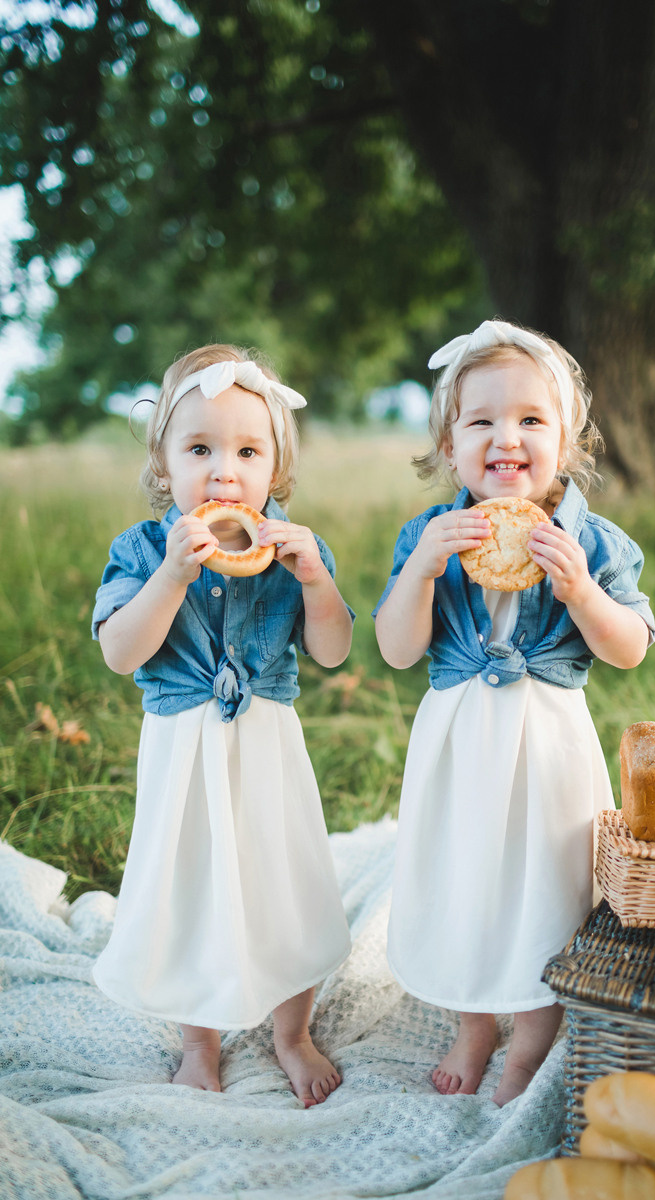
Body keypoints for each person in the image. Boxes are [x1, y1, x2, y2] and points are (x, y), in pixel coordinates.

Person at [374, 319, 655, 1107]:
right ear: (449, 444)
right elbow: (398, 648)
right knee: (466, 875)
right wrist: (424, 569)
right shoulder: (430, 536)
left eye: (532, 419)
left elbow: (630, 645)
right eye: (483, 420)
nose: (508, 437)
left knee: (544, 883)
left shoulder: (594, 544)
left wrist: (582, 592)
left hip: (547, 748)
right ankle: (474, 1023)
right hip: (461, 744)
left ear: (566, 441)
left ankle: (532, 1037)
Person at [92, 344, 353, 1105]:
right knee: (192, 886)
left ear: (276, 469)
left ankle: (291, 1032)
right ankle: (198, 1042)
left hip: (267, 751)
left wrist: (315, 580)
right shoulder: (144, 551)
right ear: (163, 465)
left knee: (286, 881)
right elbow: (119, 650)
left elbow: (333, 650)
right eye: (199, 448)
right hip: (185, 753)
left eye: (247, 450)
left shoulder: (293, 549)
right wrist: (173, 575)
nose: (223, 470)